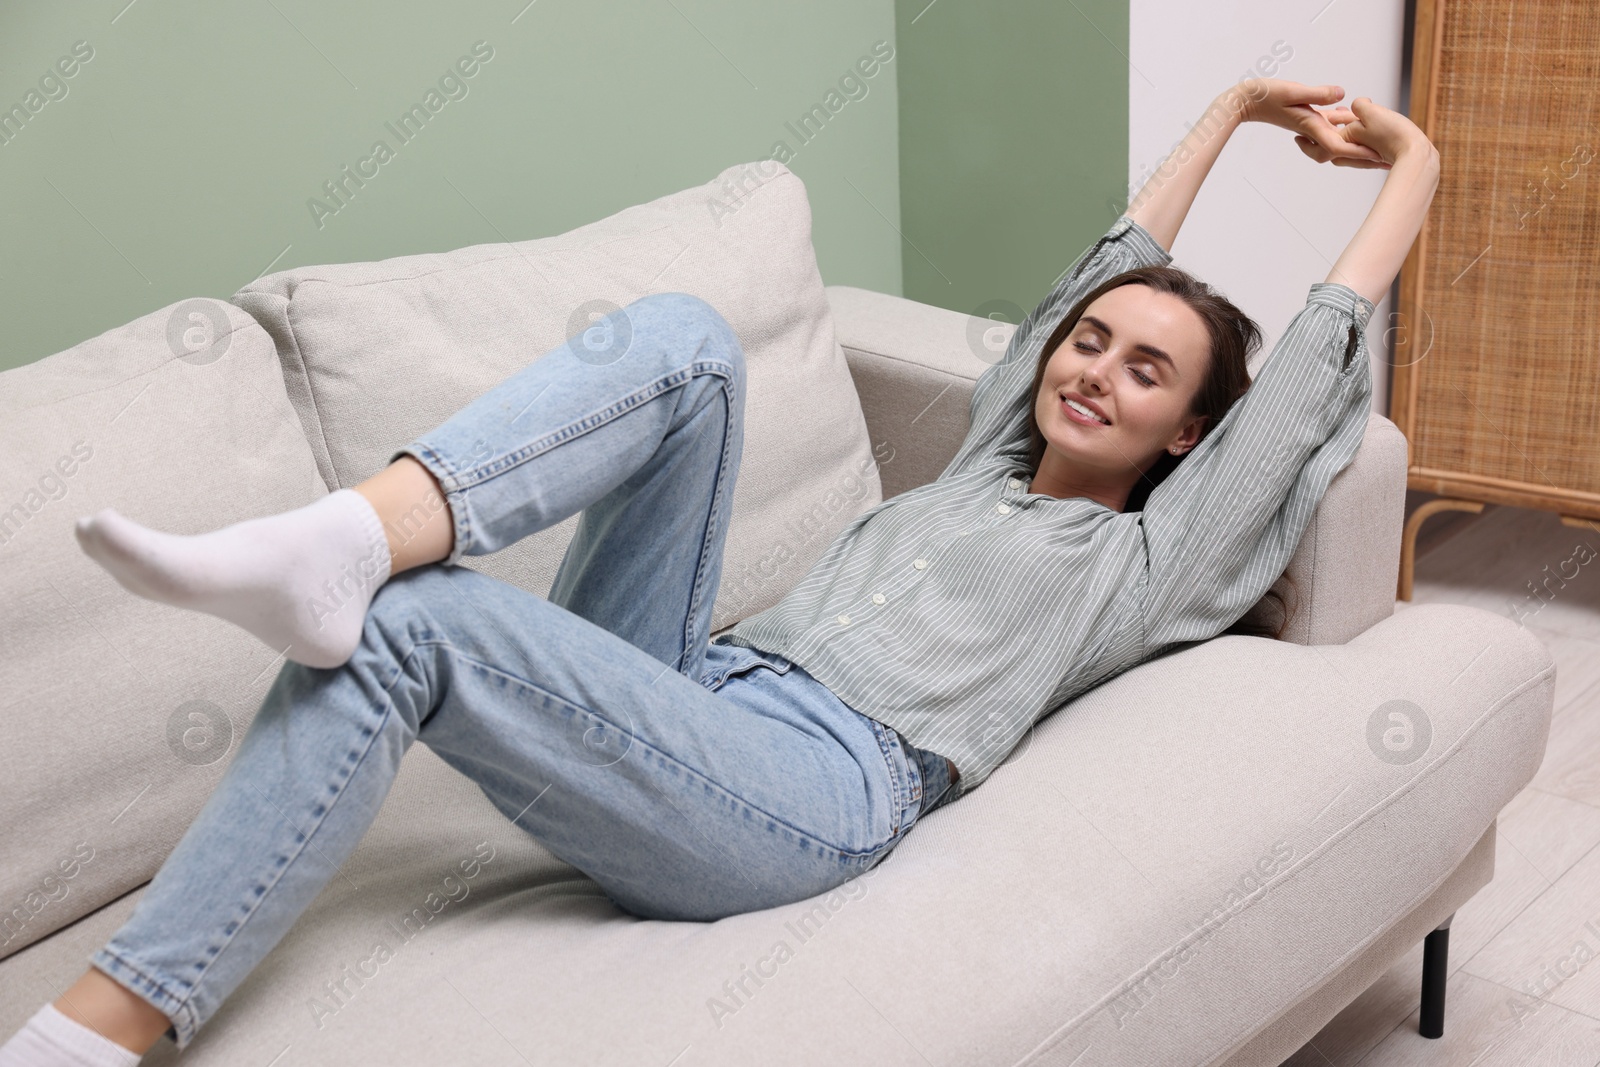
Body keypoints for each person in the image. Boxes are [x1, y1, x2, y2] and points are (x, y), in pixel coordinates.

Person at [0, 78, 1437, 1064]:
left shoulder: (1146, 554)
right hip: (697, 691)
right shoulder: (995, 452)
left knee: (409, 631)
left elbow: (1320, 344)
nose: (1092, 369)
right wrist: (1241, 113)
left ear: (1191, 433)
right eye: (1084, 342)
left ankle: (100, 1023)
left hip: (814, 789)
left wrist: (1412, 162)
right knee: (685, 339)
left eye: (1145, 374)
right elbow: (1115, 257)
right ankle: (359, 526)